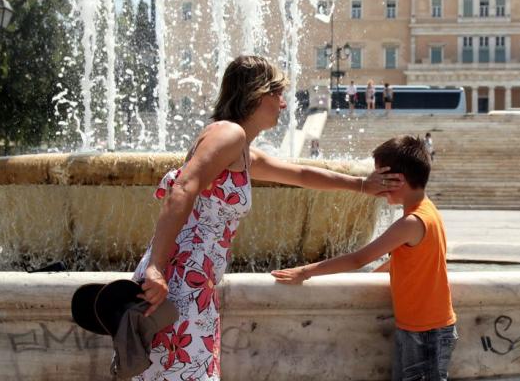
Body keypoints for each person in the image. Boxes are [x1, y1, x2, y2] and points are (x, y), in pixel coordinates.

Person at [132, 56, 403, 381]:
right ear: (259, 95)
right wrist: (156, 267)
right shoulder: (228, 135)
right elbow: (182, 189)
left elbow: (301, 174)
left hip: (194, 279)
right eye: (279, 93)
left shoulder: (241, 149)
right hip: (178, 277)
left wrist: (361, 185)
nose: (284, 103)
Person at [271, 135, 458, 381]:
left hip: (426, 331)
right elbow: (410, 260)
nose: (374, 185)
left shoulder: (411, 222)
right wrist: (372, 277)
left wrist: (304, 272)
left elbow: (358, 259)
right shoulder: (427, 210)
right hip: (422, 327)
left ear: (397, 180)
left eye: (379, 177)